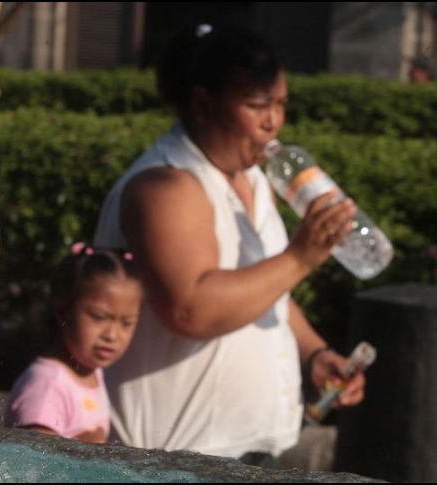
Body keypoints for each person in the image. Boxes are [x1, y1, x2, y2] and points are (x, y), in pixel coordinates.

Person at [93, 24, 366, 461]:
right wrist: (300, 257)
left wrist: (313, 352)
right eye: (257, 105)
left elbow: (262, 287)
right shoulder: (165, 185)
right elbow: (190, 308)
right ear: (203, 103)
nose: (272, 121)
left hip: (249, 450)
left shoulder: (255, 178)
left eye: (280, 104)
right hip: (173, 458)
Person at [4, 243, 143, 444]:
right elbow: (34, 466)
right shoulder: (48, 385)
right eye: (98, 317)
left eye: (126, 323)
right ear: (63, 312)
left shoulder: (93, 372)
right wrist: (85, 449)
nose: (112, 335)